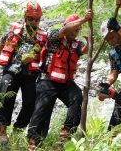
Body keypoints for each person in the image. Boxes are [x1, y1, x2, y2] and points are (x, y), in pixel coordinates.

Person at [27, 10, 93, 150]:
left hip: (66, 83)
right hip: (48, 80)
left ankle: (66, 133)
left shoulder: (76, 44)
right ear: (67, 25)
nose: (76, 30)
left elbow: (84, 51)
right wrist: (83, 19)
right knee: (43, 110)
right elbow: (64, 30)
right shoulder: (55, 36)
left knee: (77, 97)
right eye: (74, 27)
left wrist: (88, 42)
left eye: (78, 29)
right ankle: (33, 141)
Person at [0, 1, 47, 145]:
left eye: (37, 19)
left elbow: (45, 52)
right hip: (12, 68)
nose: (34, 22)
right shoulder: (15, 28)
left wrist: (35, 56)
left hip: (30, 72)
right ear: (25, 17)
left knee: (30, 102)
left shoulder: (43, 34)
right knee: (5, 97)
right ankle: (1, 130)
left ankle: (18, 129)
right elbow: (3, 39)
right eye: (31, 18)